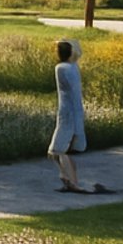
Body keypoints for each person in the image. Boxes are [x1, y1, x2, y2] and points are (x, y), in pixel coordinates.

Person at [50, 39, 107, 195]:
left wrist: (76, 126)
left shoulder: (62, 68)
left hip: (67, 114)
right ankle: (70, 180)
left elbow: (74, 96)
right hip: (69, 113)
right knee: (58, 151)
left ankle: (71, 181)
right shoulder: (72, 68)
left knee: (59, 150)